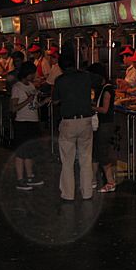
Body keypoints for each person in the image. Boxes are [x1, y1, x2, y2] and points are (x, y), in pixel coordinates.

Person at [53, 53, 94, 201]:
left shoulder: (60, 80)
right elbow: (100, 81)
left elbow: (56, 101)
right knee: (86, 158)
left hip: (68, 122)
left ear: (61, 66)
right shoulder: (85, 76)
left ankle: (68, 194)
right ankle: (87, 192)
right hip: (86, 120)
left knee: (67, 160)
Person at [10, 62, 46, 191]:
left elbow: (33, 106)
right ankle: (20, 179)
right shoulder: (17, 88)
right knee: (21, 151)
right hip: (22, 122)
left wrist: (43, 103)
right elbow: (13, 108)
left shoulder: (30, 85)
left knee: (30, 149)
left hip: (32, 120)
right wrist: (27, 101)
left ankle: (30, 176)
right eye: (32, 73)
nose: (34, 76)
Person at [87, 63, 116, 192]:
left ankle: (110, 181)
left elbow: (104, 109)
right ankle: (93, 179)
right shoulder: (103, 88)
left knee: (102, 152)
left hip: (104, 124)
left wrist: (90, 107)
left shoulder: (107, 89)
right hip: (101, 123)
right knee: (96, 151)